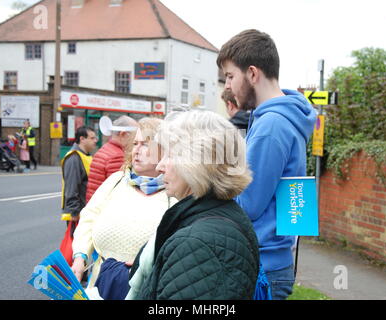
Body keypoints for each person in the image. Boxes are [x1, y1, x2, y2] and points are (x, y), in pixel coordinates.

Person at [217, 29, 317, 300]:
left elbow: (247, 205)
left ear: (252, 73)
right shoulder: (282, 118)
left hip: (262, 267)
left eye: (230, 76)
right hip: (270, 262)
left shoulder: (271, 125)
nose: (227, 86)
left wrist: (210, 183)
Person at [126, 110, 259, 300]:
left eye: (169, 155)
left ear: (196, 162)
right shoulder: (217, 215)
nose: (159, 166)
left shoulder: (197, 244)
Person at [71, 118, 172, 300]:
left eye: (145, 144)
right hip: (102, 286)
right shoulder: (116, 180)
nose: (137, 150)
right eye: (135, 144)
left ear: (165, 150)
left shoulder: (175, 190)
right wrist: (80, 257)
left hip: (148, 289)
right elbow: (89, 217)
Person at [85, 116, 139, 203]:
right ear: (123, 134)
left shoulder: (104, 150)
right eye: (134, 136)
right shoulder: (117, 156)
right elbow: (120, 192)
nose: (135, 141)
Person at [61, 126, 98, 224]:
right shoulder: (74, 157)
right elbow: (71, 187)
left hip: (85, 210)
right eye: (92, 138)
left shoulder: (86, 155)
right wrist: (74, 212)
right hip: (78, 213)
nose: (95, 140)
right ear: (82, 139)